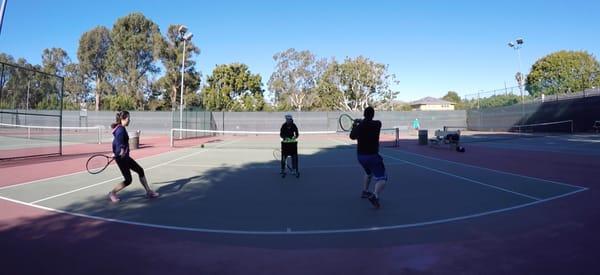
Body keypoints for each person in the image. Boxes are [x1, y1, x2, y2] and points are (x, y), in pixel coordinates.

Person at [108, 111, 159, 203]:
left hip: (124, 157)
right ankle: (112, 193)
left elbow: (115, 142)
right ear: (125, 118)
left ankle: (148, 191)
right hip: (122, 159)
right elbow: (119, 142)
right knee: (128, 180)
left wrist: (115, 152)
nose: (130, 120)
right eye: (129, 118)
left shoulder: (120, 128)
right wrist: (120, 151)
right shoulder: (120, 130)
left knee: (140, 170)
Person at [350, 107, 387, 209]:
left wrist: (355, 124)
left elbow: (352, 136)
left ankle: (365, 192)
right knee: (382, 179)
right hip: (373, 156)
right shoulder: (377, 124)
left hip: (360, 157)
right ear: (373, 114)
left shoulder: (359, 126)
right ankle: (375, 195)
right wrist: (361, 122)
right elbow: (370, 123)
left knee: (368, 173)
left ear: (364, 114)